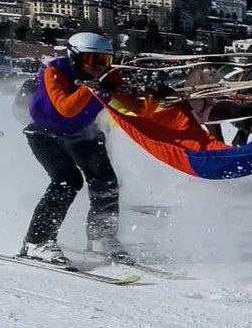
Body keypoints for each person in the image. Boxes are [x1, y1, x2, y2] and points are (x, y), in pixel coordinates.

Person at [21, 32, 160, 266]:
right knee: (67, 180)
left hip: (84, 133)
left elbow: (138, 109)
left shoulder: (109, 76)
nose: (98, 67)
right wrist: (91, 87)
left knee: (105, 181)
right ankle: (37, 241)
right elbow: (66, 108)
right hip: (45, 133)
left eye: (104, 61)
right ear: (75, 57)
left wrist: (155, 97)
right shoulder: (54, 71)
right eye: (92, 60)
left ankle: (101, 238)